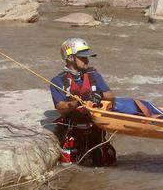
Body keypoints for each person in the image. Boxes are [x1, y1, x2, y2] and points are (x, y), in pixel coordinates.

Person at [50, 38, 117, 167]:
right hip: (73, 130)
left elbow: (111, 96)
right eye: (83, 58)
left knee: (106, 164)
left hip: (95, 128)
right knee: (69, 167)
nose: (87, 60)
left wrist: (99, 95)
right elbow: (61, 107)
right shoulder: (58, 81)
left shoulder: (93, 75)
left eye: (87, 57)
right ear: (70, 58)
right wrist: (76, 103)